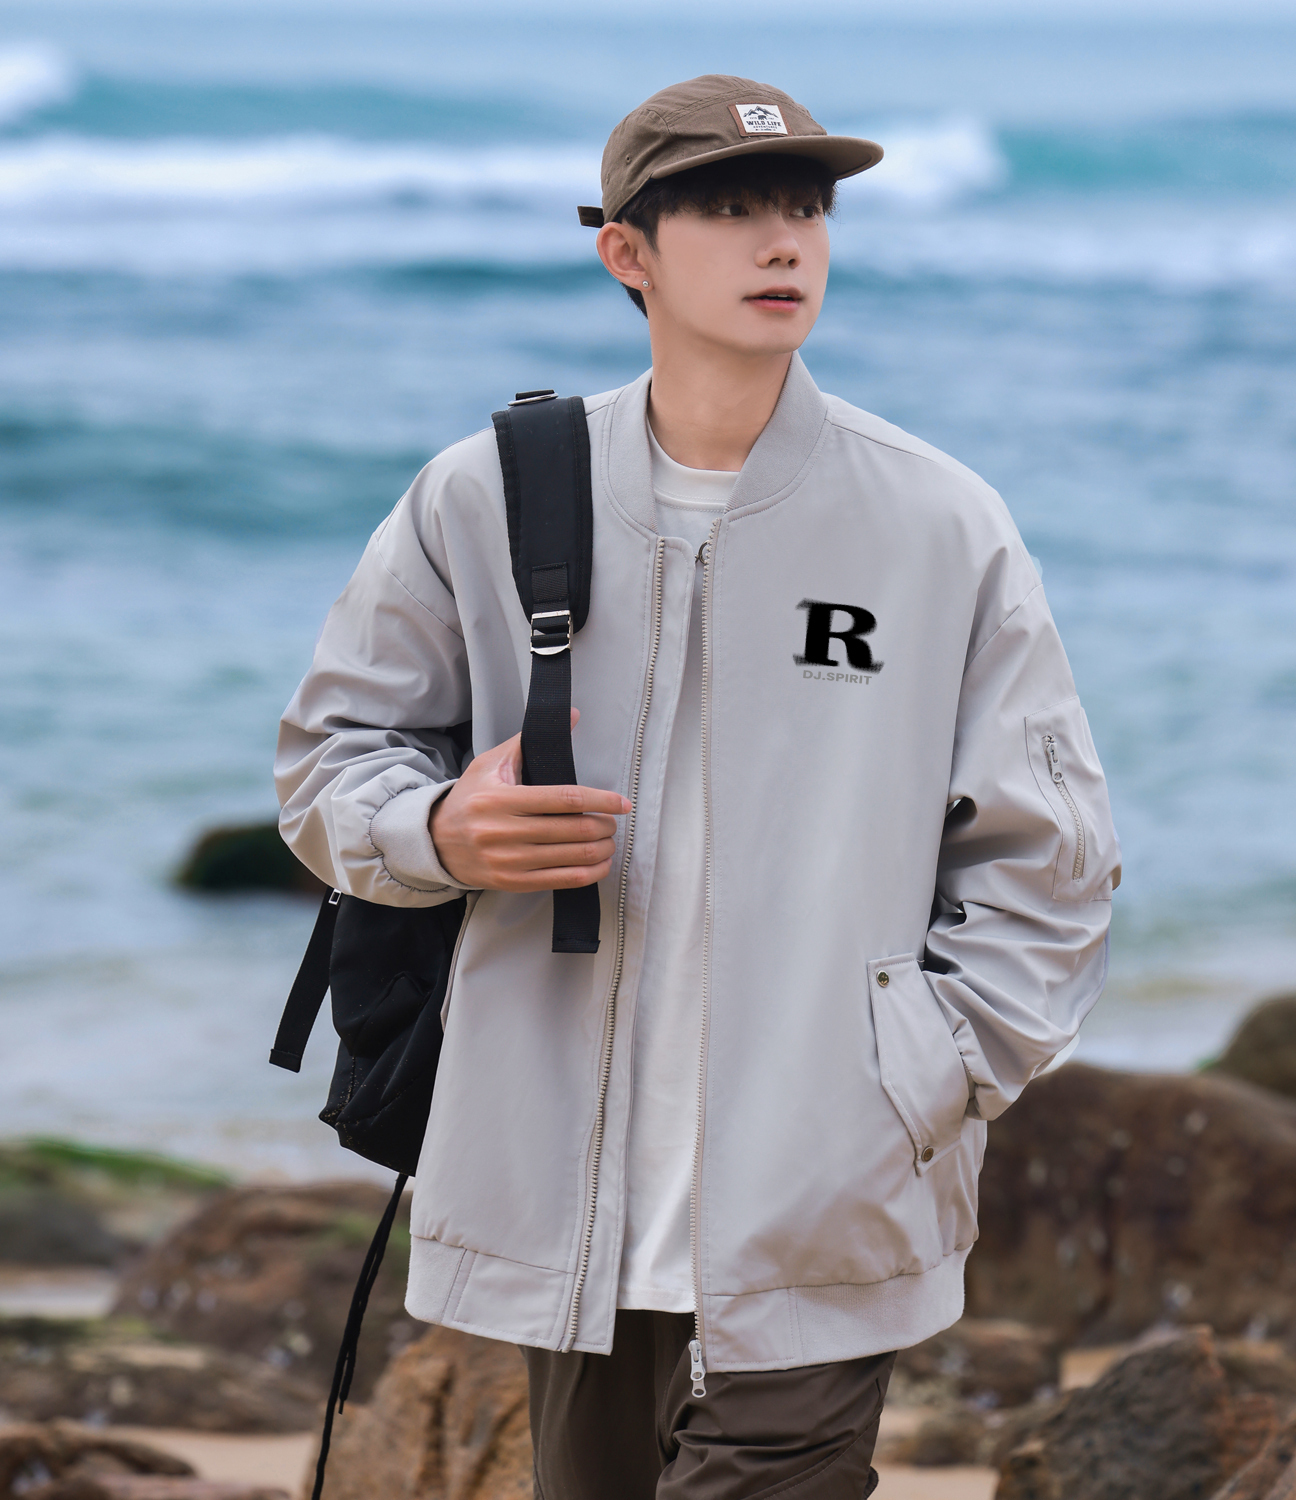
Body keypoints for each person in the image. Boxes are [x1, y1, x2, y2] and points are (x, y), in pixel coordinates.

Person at [276, 74, 1120, 1500]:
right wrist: (440, 829)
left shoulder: (937, 522)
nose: (783, 241)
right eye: (730, 209)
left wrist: (929, 1076)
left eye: (805, 207)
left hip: (828, 1187)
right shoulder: (484, 496)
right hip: (563, 1196)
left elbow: (1052, 857)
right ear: (629, 252)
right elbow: (328, 759)